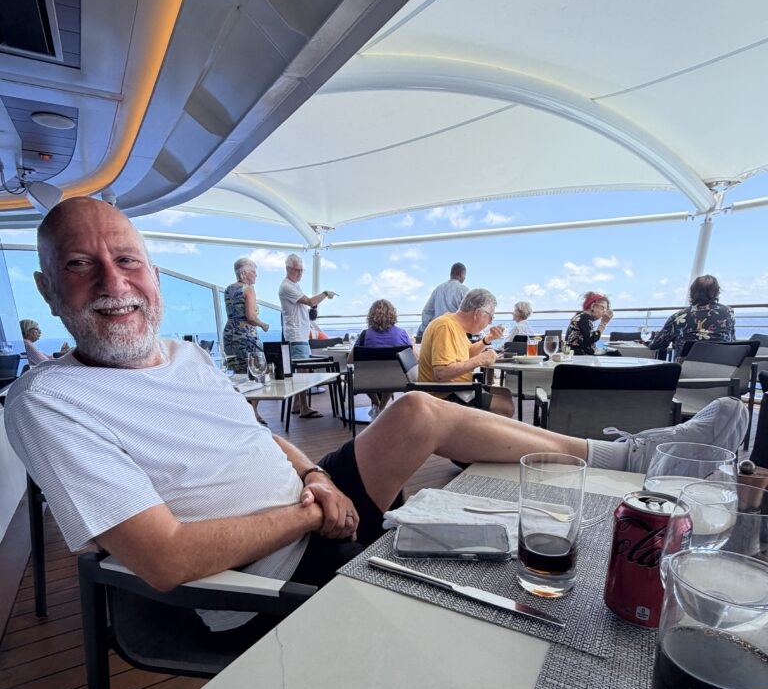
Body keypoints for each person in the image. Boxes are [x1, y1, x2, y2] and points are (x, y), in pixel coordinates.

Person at [5, 199, 748, 645]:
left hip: (310, 509)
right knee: (502, 590)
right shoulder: (50, 400)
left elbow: (256, 436)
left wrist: (314, 475)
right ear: (46, 288)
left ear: (151, 273)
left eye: (127, 260)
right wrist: (310, 512)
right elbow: (166, 560)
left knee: (417, 409)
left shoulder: (184, 356)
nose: (114, 282)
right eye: (80, 265)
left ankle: (623, 455)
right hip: (258, 580)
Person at [418, 288, 514, 417]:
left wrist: (488, 339)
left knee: (506, 393)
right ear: (477, 313)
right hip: (445, 394)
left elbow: (468, 353)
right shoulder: (445, 326)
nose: (490, 322)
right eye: (490, 317)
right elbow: (441, 373)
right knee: (506, 406)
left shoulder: (455, 324)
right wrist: (480, 359)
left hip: (459, 388)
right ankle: (474, 428)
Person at [278, 253, 337, 418]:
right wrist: (325, 293)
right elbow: (311, 301)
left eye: (302, 270)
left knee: (303, 371)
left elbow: (304, 306)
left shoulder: (294, 286)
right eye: (297, 270)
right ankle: (304, 407)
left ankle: (297, 404)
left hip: (300, 335)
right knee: (302, 373)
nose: (300, 273)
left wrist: (310, 311)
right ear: (288, 269)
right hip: (296, 336)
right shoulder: (287, 286)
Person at [222, 257, 269, 424]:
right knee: (256, 374)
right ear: (245, 273)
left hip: (230, 335)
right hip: (245, 336)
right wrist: (263, 325)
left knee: (239, 375)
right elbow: (250, 316)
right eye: (253, 272)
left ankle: (242, 414)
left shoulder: (228, 289)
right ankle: (253, 414)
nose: (256, 275)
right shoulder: (248, 289)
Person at [649, 275, 735, 356]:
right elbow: (731, 341)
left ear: (692, 292)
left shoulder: (678, 317)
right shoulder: (728, 312)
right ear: (716, 292)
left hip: (687, 366)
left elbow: (656, 345)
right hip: (721, 364)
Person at [354, 299, 413, 416]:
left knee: (365, 374)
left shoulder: (365, 335)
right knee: (391, 373)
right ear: (393, 314)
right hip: (396, 380)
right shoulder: (402, 334)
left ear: (371, 315)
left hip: (367, 381)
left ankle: (377, 404)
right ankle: (382, 407)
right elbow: (411, 358)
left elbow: (350, 360)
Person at [419, 262, 468, 336]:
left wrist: (427, 329)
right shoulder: (464, 290)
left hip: (439, 332)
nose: (465, 278)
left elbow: (426, 311)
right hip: (456, 333)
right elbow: (470, 314)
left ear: (450, 274)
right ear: (461, 274)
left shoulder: (437, 289)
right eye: (465, 275)